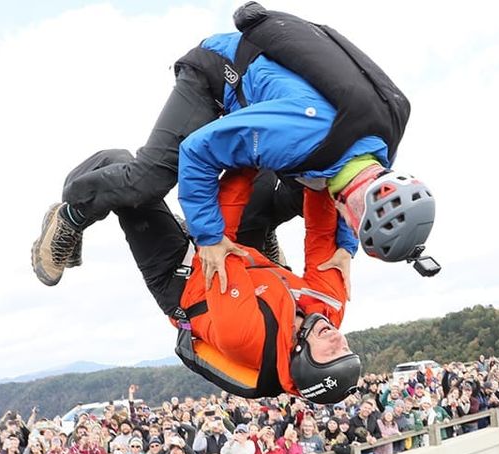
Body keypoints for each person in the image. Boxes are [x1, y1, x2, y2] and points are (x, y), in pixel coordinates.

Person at [31, 2, 436, 287]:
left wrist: (345, 248)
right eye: (353, 223)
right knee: (149, 181)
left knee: (312, 187)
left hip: (277, 114)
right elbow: (198, 152)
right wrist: (207, 237)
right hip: (217, 73)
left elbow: (348, 198)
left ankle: (259, 230)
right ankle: (71, 211)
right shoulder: (303, 135)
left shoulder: (382, 141)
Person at [113, 168, 362, 405]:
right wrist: (321, 181)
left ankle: (74, 216)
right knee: (263, 178)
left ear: (303, 361)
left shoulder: (245, 337)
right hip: (249, 267)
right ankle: (263, 236)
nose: (338, 337)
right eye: (345, 348)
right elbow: (322, 232)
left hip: (181, 281)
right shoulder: (329, 308)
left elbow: (218, 238)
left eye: (332, 353)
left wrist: (244, 158)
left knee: (123, 178)